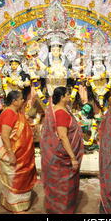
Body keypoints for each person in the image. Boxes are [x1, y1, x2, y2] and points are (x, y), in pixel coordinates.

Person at [40, 86, 84, 214]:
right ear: (61, 97)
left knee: (61, 184)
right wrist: (72, 157)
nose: (69, 97)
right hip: (62, 157)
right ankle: (61, 211)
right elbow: (63, 136)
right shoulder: (60, 113)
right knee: (63, 185)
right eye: (67, 95)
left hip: (60, 155)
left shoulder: (62, 110)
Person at [0, 90, 37, 213]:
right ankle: (14, 206)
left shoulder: (16, 112)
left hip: (23, 155)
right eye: (21, 99)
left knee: (22, 179)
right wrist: (11, 154)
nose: (23, 100)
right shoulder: (8, 114)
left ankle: (20, 204)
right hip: (15, 155)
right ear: (14, 101)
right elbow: (5, 136)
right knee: (15, 181)